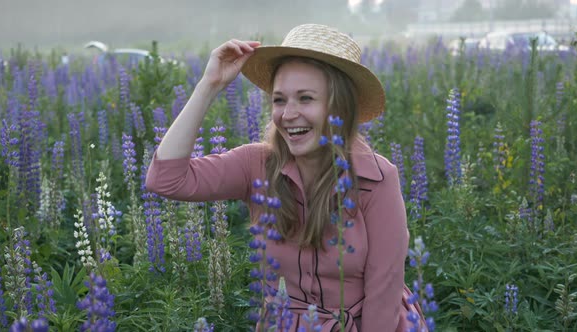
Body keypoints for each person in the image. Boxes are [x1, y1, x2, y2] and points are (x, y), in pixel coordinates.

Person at [145, 24, 426, 331]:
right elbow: (165, 179)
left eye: (305, 99)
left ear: (339, 107)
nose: (288, 114)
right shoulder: (257, 164)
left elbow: (383, 292)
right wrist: (209, 85)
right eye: (279, 100)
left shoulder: (376, 177)